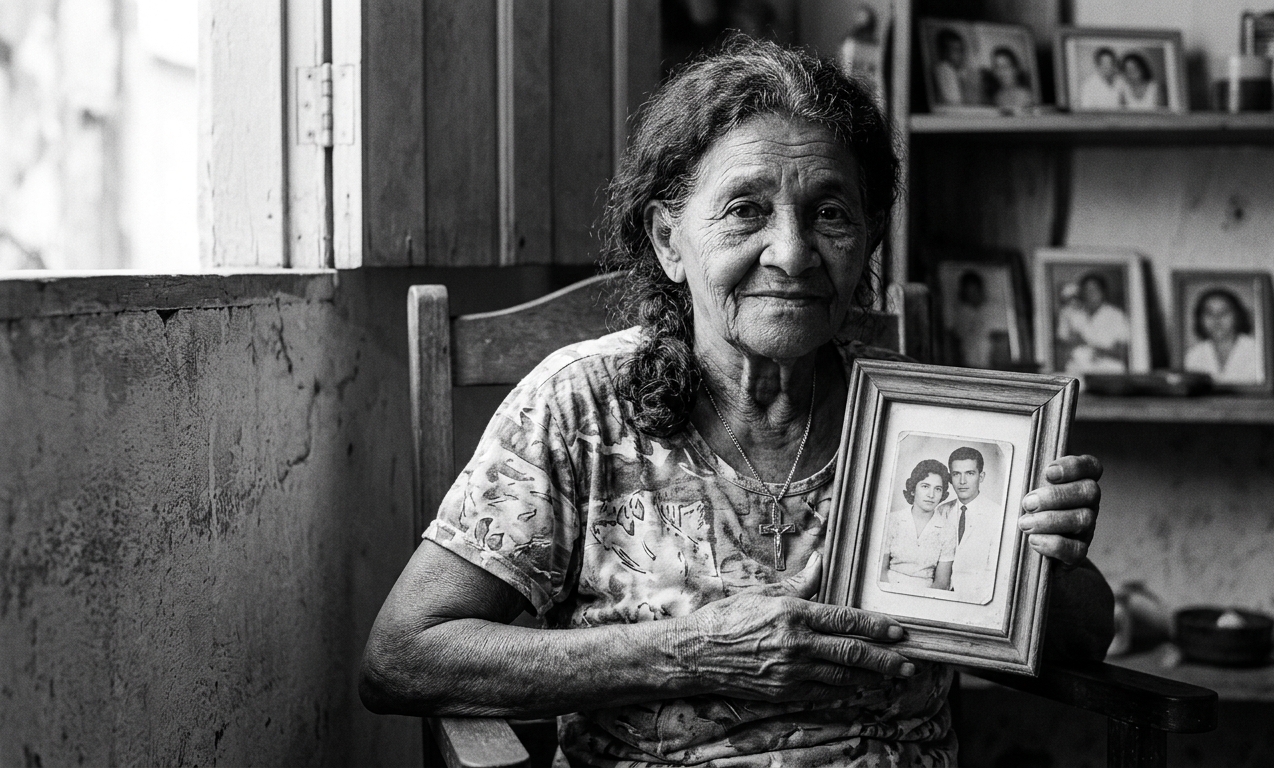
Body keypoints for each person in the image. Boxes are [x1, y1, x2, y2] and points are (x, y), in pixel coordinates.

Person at [361, 37, 1112, 767]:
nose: (791, 252)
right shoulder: (582, 407)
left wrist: (1055, 561)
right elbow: (403, 657)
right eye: (747, 210)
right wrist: (689, 652)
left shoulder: (925, 424)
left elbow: (1077, 646)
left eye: (831, 214)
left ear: (869, 239)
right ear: (668, 239)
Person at [879, 460, 959, 590]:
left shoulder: (948, 531)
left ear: (942, 495)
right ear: (912, 490)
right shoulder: (892, 520)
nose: (931, 495)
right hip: (888, 589)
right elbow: (879, 571)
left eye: (937, 489)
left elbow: (942, 583)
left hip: (924, 596)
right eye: (925, 486)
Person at [946, 447, 1005, 603]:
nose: (962, 481)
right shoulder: (941, 511)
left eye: (970, 473)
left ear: (981, 476)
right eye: (956, 474)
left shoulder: (998, 516)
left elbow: (996, 575)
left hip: (977, 602)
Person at [1056, 272, 1131, 375]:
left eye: (1094, 290)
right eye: (1086, 290)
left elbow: (1123, 353)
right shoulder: (1074, 315)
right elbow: (1062, 346)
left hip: (1109, 372)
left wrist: (1092, 346)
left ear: (1103, 291)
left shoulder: (1116, 315)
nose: (1089, 294)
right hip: (1078, 371)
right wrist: (1071, 343)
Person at [1183, 287, 1260, 384]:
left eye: (1224, 312)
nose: (1216, 318)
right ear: (1200, 319)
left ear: (1238, 315)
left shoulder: (1257, 351)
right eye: (1209, 313)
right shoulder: (1193, 356)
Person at [950, 270, 1009, 368]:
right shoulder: (961, 312)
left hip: (992, 361)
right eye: (968, 291)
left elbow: (1001, 337)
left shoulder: (992, 310)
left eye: (974, 290)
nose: (972, 294)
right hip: (967, 361)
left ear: (980, 289)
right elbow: (957, 337)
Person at [933, 28, 985, 105]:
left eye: (962, 50)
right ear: (944, 52)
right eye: (955, 50)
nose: (961, 54)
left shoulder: (959, 70)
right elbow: (956, 102)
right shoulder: (944, 69)